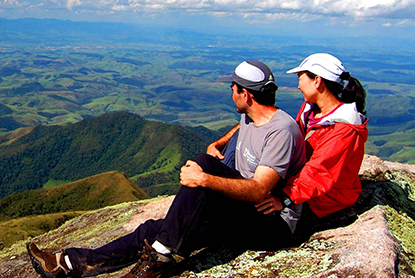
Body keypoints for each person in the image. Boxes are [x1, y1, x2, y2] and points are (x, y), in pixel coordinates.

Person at [27, 60, 306, 278]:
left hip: (270, 222)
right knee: (156, 229)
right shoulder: (253, 116)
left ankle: (159, 258)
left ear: (246, 94)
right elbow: (246, 128)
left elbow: (259, 190)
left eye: (233, 89)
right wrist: (219, 142)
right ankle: (70, 263)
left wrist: (205, 178)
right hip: (240, 210)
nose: (230, 93)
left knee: (202, 166)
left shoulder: (281, 131)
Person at [255, 53, 367, 232]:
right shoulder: (311, 110)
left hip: (324, 200)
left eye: (300, 77)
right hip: (302, 189)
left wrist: (284, 198)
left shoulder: (343, 128)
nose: (298, 85)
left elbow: (319, 171)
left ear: (317, 81)